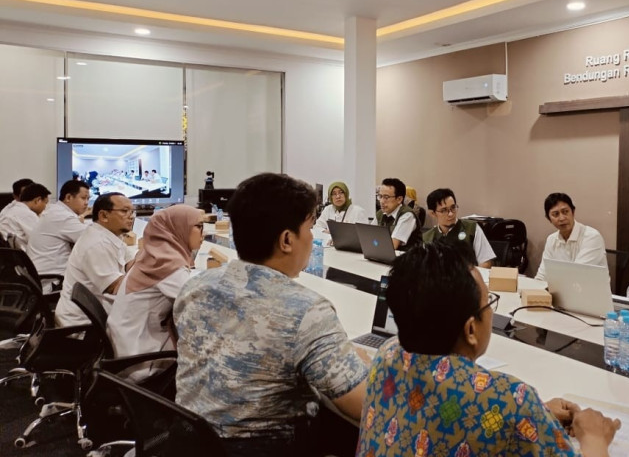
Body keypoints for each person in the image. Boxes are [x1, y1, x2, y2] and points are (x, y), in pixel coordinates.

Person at [356, 241, 620, 457]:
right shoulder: (513, 400)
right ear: (471, 330)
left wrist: (535, 415)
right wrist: (594, 438)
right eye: (488, 303)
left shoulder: (386, 355)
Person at [174, 173, 369, 455]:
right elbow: (363, 406)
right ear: (287, 240)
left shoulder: (195, 287)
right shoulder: (307, 311)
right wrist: (367, 364)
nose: (312, 238)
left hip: (188, 442)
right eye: (310, 228)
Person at [108, 205, 204, 374]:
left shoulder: (156, 253)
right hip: (141, 357)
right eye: (198, 226)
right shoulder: (167, 264)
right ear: (179, 227)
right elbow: (200, 303)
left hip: (128, 341)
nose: (204, 233)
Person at [54, 193, 134, 327]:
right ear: (103, 216)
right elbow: (115, 287)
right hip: (83, 325)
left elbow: (129, 260)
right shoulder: (97, 244)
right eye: (124, 211)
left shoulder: (110, 234)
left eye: (132, 211)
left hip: (97, 314)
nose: (131, 216)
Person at [536, 192, 607, 281]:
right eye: (556, 214)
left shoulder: (592, 237)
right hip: (560, 288)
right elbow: (542, 275)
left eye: (565, 212)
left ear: (573, 212)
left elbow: (577, 275)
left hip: (589, 289)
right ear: (549, 219)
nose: (562, 218)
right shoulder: (551, 239)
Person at [26, 180, 90, 276]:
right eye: (83, 198)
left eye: (88, 199)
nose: (86, 203)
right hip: (54, 277)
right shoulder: (62, 216)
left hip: (42, 273)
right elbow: (92, 239)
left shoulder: (55, 211)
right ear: (68, 197)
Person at [422, 188, 496, 268]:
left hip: (468, 275)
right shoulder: (426, 238)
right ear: (432, 213)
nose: (450, 214)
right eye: (444, 210)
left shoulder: (472, 228)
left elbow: (486, 262)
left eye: (453, 208)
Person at [0, 183, 51, 251]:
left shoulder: (12, 209)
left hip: (9, 253)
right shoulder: (26, 214)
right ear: (38, 200)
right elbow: (41, 240)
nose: (45, 207)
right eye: (45, 203)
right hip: (22, 255)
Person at [375, 177, 421, 250]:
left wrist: (374, 243)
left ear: (399, 199)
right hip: (385, 254)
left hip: (407, 256)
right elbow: (369, 237)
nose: (381, 201)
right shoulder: (380, 213)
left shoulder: (407, 215)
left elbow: (393, 245)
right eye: (380, 196)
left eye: (386, 197)